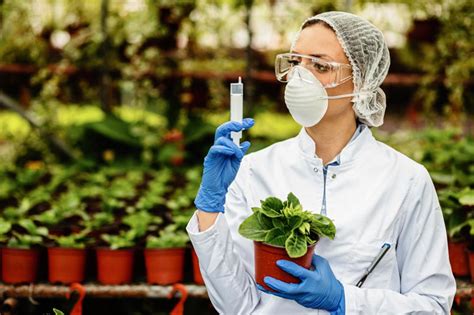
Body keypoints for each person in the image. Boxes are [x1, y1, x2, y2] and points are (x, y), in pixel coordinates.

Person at [186, 11, 456, 315]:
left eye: (320, 65)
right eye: (295, 62)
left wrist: (346, 301)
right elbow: (236, 305)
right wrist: (209, 209)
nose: (301, 76)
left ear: (362, 79)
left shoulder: (405, 180)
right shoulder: (253, 171)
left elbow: (433, 305)